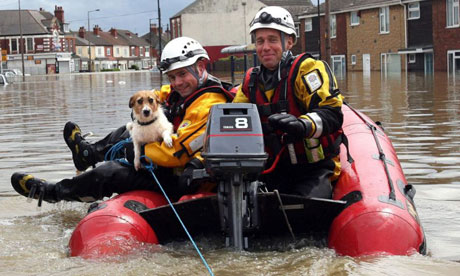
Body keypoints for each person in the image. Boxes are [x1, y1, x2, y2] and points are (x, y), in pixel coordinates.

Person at [11, 36, 233, 204]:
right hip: (168, 168)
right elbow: (156, 96)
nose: (177, 82)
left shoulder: (209, 104)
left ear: (201, 66)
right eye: (173, 77)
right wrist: (141, 110)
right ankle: (86, 154)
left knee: (110, 171)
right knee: (127, 132)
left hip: (182, 178)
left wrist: (139, 152)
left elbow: (176, 152)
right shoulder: (186, 91)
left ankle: (53, 193)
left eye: (183, 74)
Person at [233, 6, 344, 199]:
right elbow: (233, 118)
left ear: (290, 42)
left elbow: (332, 114)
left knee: (308, 208)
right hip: (274, 168)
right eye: (260, 41)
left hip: (313, 168)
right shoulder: (250, 82)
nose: (265, 47)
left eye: (272, 40)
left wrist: (303, 124)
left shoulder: (307, 70)